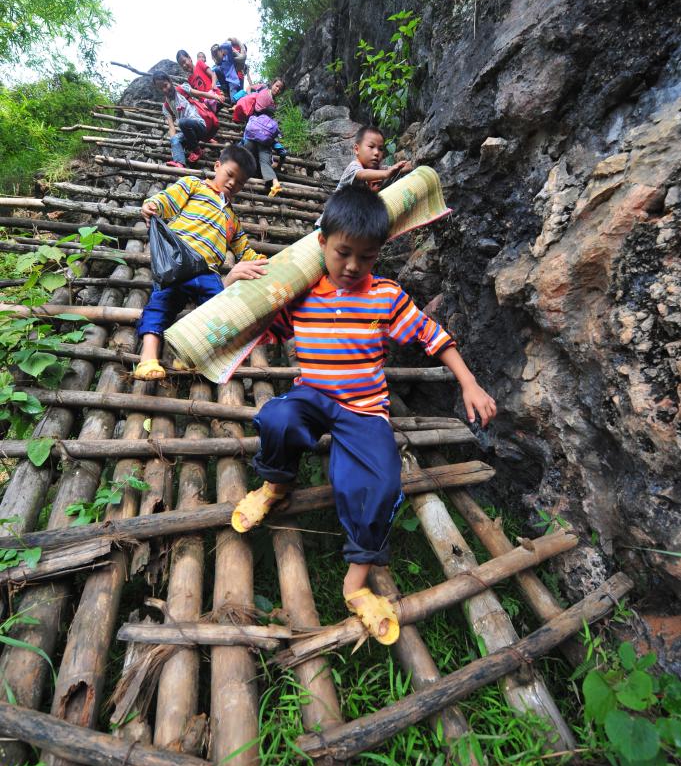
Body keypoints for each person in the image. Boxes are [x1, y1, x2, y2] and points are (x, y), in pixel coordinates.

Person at [230, 186, 497, 644]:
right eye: (343, 253)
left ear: (378, 255)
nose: (353, 266)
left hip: (365, 407)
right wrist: (231, 282)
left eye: (366, 257)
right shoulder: (299, 293)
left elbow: (433, 336)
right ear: (322, 244)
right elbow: (252, 327)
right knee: (277, 417)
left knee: (380, 482)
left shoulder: (385, 296)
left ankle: (355, 584)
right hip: (312, 395)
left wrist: (469, 382)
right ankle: (275, 485)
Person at [134, 145, 267, 380]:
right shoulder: (193, 185)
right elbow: (168, 200)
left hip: (208, 272)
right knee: (161, 304)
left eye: (240, 182)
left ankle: (187, 356)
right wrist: (153, 205)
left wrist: (261, 262)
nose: (232, 184)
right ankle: (148, 358)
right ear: (217, 166)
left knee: (219, 311)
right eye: (230, 174)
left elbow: (243, 250)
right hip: (178, 261)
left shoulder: (232, 219)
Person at [152, 72, 216, 167]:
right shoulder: (165, 106)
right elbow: (171, 127)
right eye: (161, 88)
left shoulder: (182, 89)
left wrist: (215, 96)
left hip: (200, 126)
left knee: (182, 122)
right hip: (189, 132)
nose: (165, 90)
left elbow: (200, 94)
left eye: (165, 85)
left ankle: (197, 151)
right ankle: (179, 162)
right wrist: (174, 142)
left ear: (170, 81)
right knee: (175, 138)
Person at [337, 125, 412, 192]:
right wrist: (386, 173)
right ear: (357, 149)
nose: (376, 153)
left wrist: (412, 164)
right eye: (371, 147)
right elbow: (362, 174)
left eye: (381, 149)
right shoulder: (353, 167)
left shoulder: (379, 169)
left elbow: (396, 169)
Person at [243, 110, 284, 197]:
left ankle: (241, 174)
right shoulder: (269, 133)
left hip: (249, 144)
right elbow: (282, 152)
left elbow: (244, 140)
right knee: (265, 163)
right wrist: (279, 166)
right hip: (265, 146)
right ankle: (275, 183)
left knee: (246, 155)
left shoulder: (253, 125)